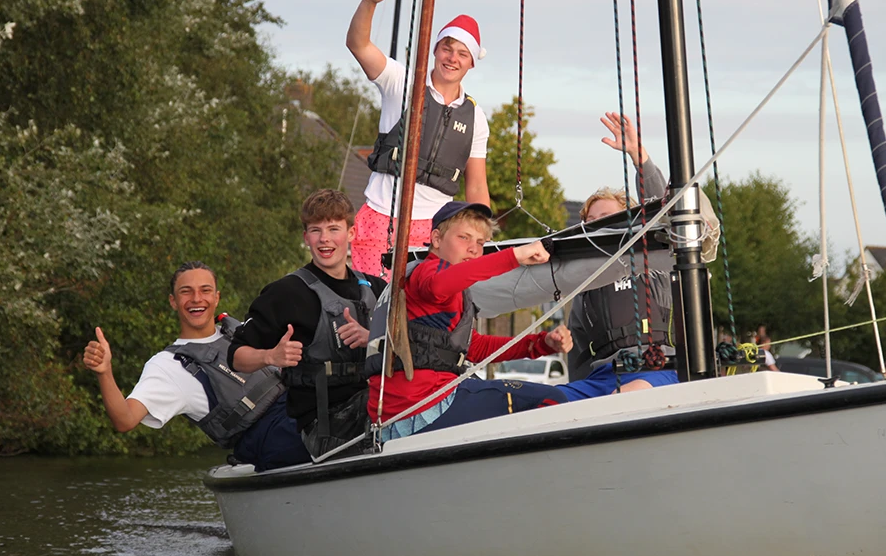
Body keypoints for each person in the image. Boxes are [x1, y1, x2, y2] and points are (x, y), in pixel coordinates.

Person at [364, 201, 573, 440]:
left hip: (409, 410)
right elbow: (440, 284)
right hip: (423, 407)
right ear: (436, 239)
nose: (474, 249)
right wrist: (515, 256)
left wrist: (542, 343)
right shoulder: (427, 273)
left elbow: (476, 348)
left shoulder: (446, 291)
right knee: (553, 399)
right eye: (464, 237)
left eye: (481, 243)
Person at [83, 261, 311, 471]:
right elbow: (124, 419)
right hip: (266, 435)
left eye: (205, 290)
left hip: (295, 405)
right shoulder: (168, 366)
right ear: (173, 301)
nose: (196, 299)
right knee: (324, 424)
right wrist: (105, 372)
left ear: (216, 297)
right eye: (186, 292)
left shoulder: (240, 331)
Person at [346, 0, 491, 276]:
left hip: (437, 233)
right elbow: (358, 44)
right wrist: (369, 2)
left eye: (462, 53)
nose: (452, 58)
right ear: (435, 50)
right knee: (373, 312)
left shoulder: (476, 118)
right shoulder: (402, 82)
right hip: (381, 217)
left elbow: (477, 187)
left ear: (471, 63)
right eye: (447, 49)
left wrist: (481, 242)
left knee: (422, 318)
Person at [228, 189, 386, 458]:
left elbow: (404, 349)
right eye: (316, 230)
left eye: (334, 229)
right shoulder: (285, 293)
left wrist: (372, 338)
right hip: (325, 424)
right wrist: (271, 355)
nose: (324, 239)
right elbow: (236, 357)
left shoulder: (376, 287)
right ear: (306, 238)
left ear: (351, 233)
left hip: (373, 406)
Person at [561, 112, 679, 401]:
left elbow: (663, 210)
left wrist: (639, 156)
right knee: (553, 402)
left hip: (655, 369)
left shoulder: (653, 259)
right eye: (592, 220)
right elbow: (577, 351)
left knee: (622, 397)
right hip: (603, 374)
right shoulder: (585, 284)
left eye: (608, 217)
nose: (599, 224)